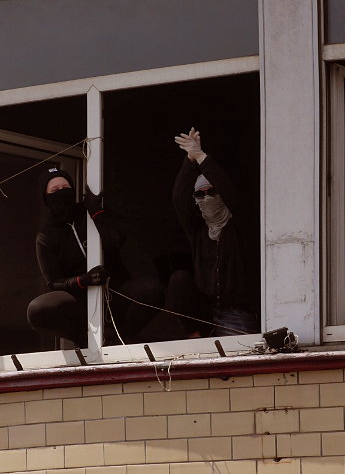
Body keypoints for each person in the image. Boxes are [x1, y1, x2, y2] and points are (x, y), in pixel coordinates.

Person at [27, 167, 163, 347]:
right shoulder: (46, 235)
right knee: (38, 310)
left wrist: (96, 212)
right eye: (55, 190)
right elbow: (54, 281)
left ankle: (119, 339)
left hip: (115, 292)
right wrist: (83, 280)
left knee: (152, 289)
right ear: (46, 197)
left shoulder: (90, 210)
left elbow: (116, 240)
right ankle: (86, 342)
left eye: (66, 187)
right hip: (80, 303)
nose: (62, 193)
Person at [169, 128, 259, 337]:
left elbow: (231, 193)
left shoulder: (239, 226)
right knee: (179, 279)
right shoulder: (199, 231)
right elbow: (179, 201)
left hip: (236, 313)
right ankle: (194, 336)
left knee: (240, 364)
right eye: (200, 194)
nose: (206, 197)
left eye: (212, 191)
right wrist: (190, 161)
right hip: (204, 313)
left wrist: (202, 158)